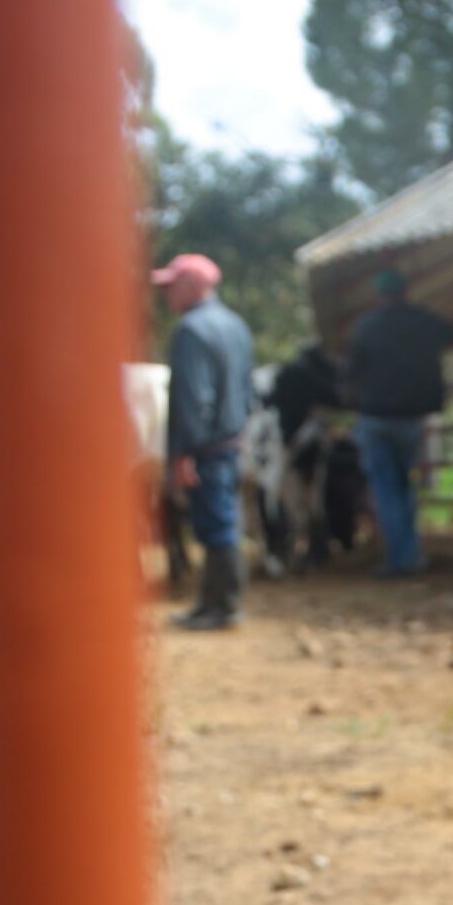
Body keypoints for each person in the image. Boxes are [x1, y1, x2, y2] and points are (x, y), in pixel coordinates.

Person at [156, 252, 255, 631]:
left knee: (216, 526)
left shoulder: (191, 331)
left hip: (205, 447)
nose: (167, 296)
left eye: (171, 286)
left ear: (193, 286)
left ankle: (223, 607)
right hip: (230, 440)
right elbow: (245, 390)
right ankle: (210, 602)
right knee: (222, 521)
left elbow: (193, 398)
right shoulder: (235, 325)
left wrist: (183, 453)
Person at [342, 268, 453, 578]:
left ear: (379, 295)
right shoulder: (421, 320)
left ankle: (400, 558)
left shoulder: (366, 326)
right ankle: (411, 554)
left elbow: (350, 373)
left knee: (386, 489)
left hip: (376, 417)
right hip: (411, 418)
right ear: (405, 291)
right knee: (405, 485)